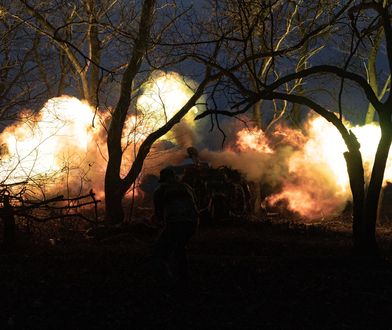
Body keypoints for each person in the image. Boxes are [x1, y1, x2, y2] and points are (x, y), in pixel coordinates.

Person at [153, 167, 199, 285]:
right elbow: (196, 205)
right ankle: (183, 278)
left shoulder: (160, 191)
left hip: (175, 223)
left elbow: (158, 214)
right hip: (192, 223)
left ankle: (168, 281)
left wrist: (160, 224)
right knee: (179, 248)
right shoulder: (187, 187)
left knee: (159, 251)